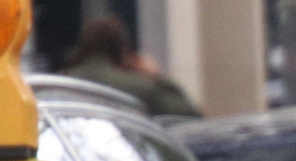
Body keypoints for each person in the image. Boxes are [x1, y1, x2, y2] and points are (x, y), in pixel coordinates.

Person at [59, 15, 200, 118]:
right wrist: (157, 77)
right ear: (121, 50)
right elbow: (189, 114)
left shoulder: (60, 84)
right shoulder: (139, 87)